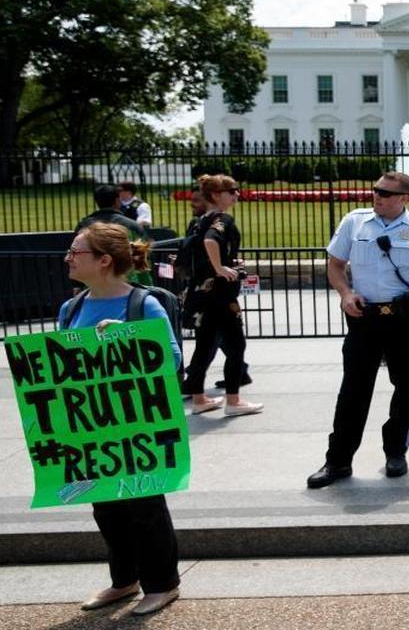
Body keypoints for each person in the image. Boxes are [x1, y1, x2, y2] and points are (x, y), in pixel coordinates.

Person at [61, 222, 181, 616]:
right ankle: (123, 581)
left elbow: (172, 359)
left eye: (76, 252)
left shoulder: (142, 305)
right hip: (93, 425)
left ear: (104, 260)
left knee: (144, 503)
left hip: (137, 423)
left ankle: (162, 584)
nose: (68, 258)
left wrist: (126, 337)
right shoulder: (71, 308)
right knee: (104, 505)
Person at [307, 171, 409, 488]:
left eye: (385, 193)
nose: (377, 196)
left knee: (404, 389)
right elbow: (334, 264)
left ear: (404, 198)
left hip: (405, 320)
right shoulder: (355, 222)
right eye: (375, 190)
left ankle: (396, 452)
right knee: (353, 392)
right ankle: (338, 461)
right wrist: (346, 293)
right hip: (364, 319)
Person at [182, 174, 262, 417]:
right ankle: (234, 400)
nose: (237, 194)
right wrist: (220, 268)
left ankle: (198, 398)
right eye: (232, 190)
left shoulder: (199, 220)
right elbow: (210, 242)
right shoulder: (221, 219)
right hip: (220, 294)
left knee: (204, 345)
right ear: (216, 195)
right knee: (236, 345)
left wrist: (225, 262)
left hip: (200, 293)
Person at [75, 185, 151, 285]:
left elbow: (76, 255)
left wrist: (77, 285)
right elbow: (141, 258)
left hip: (92, 283)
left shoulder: (84, 226)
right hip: (127, 283)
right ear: (117, 200)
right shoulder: (132, 226)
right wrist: (146, 285)